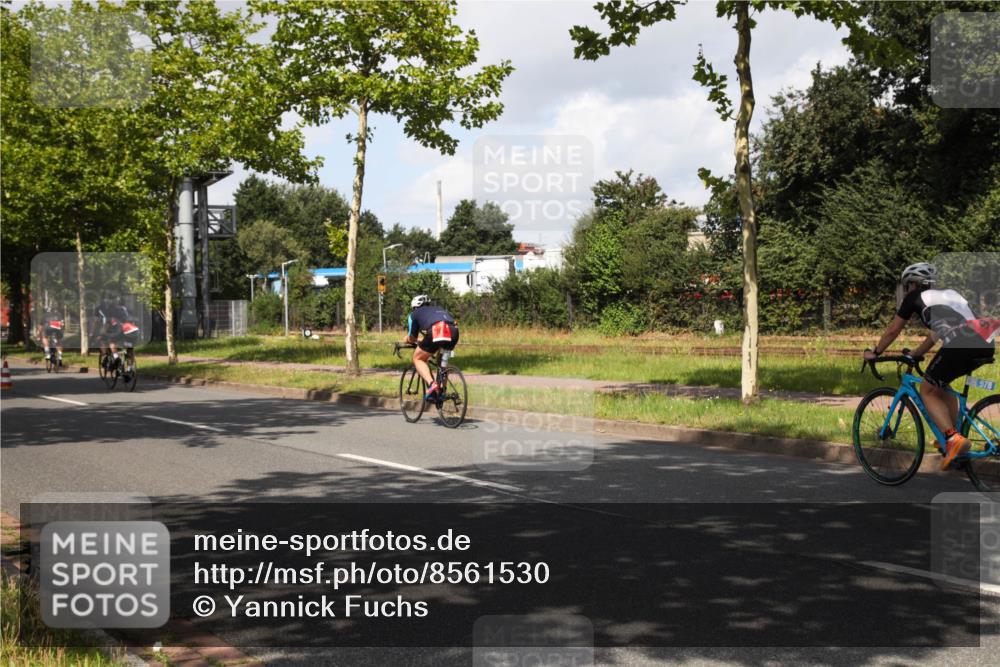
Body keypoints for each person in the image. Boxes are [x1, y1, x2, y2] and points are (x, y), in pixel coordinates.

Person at [864, 262, 997, 469]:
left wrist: (875, 352)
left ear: (915, 283)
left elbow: (893, 330)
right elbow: (937, 334)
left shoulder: (915, 297)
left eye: (908, 285)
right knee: (941, 386)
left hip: (961, 342)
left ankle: (953, 440)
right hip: (985, 342)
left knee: (926, 389)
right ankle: (954, 440)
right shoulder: (950, 295)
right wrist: (917, 353)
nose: (907, 290)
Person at [403, 294, 459, 399]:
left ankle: (432, 384)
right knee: (442, 361)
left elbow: (412, 338)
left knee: (417, 358)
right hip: (454, 330)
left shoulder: (414, 314)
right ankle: (442, 391)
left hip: (438, 330)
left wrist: (406, 340)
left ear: (414, 306)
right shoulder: (439, 309)